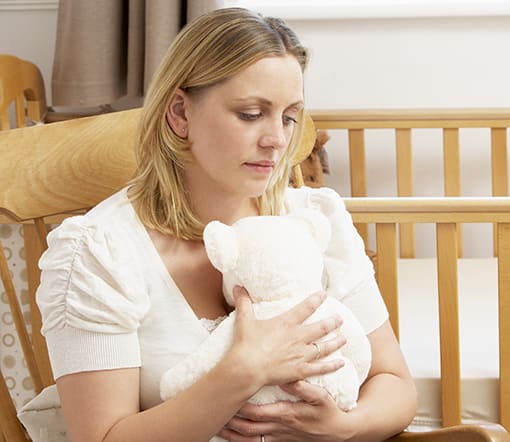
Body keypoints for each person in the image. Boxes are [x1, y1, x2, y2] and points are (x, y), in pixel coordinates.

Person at [36, 7, 417, 441]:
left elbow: (397, 386)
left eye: (289, 116)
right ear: (180, 113)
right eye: (252, 114)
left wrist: (343, 427)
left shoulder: (313, 220)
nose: (276, 138)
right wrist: (244, 370)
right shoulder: (99, 253)